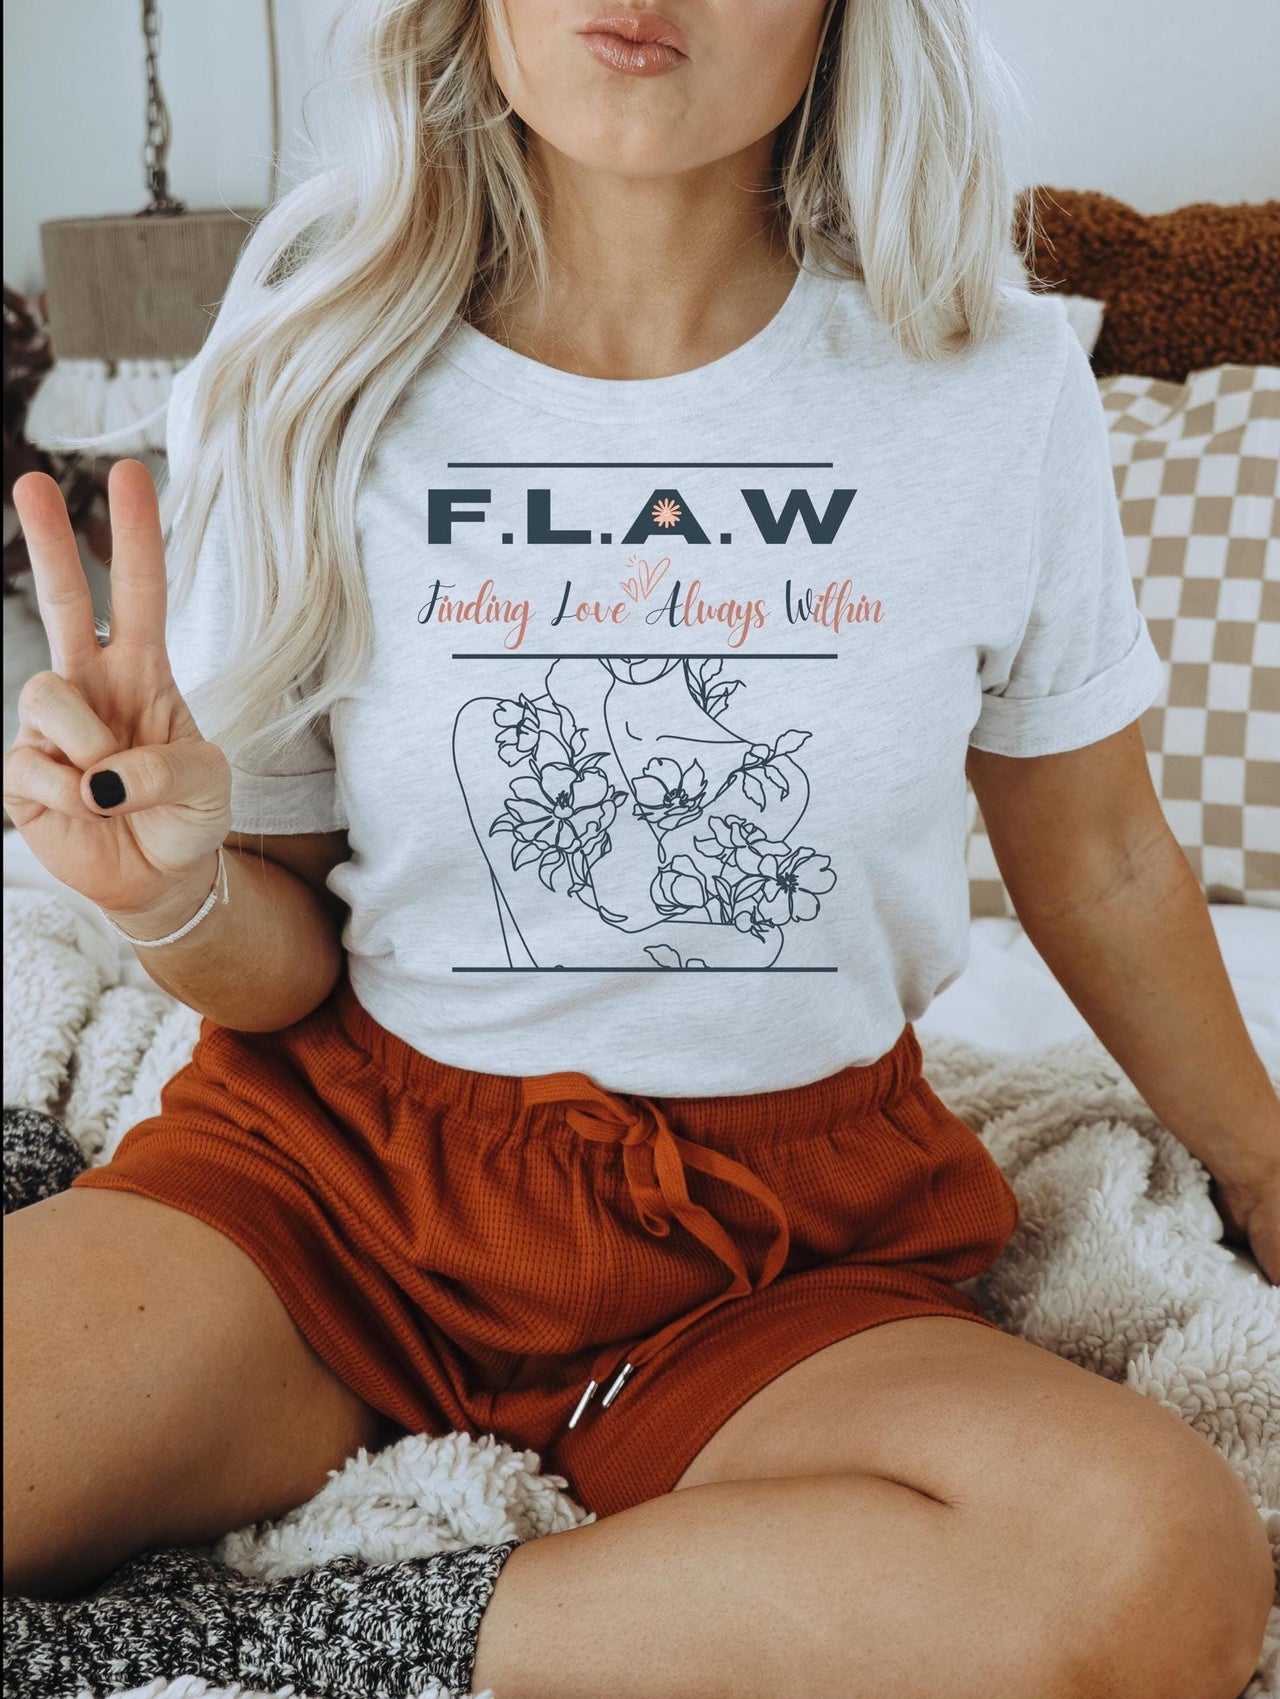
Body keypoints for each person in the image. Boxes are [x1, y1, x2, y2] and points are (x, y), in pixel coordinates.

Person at [4, 0, 1276, 1695]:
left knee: (1155, 1561)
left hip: (776, 1252)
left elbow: (1103, 861)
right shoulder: (313, 354)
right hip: (336, 1190)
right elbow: (282, 950)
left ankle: (261, 1655)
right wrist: (173, 900)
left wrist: (1265, 1170)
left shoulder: (991, 379)